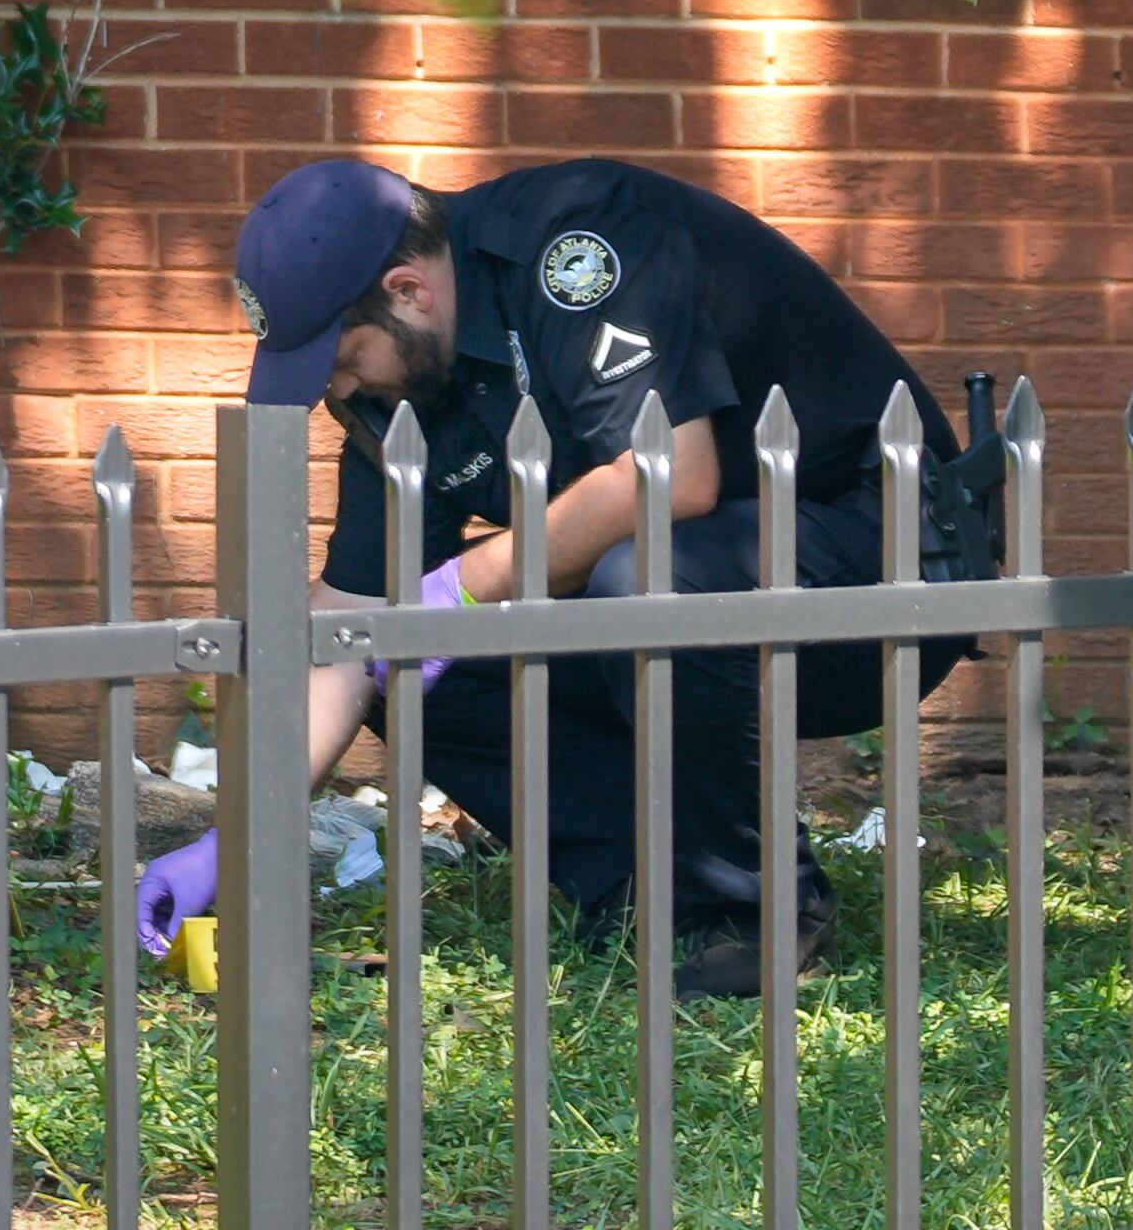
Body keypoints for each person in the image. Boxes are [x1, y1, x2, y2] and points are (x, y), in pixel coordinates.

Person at [131, 157, 999, 996]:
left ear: (408, 292)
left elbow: (668, 475)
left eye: (340, 354)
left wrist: (460, 585)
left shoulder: (581, 247)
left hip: (876, 572)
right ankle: (645, 895)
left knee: (638, 578)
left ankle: (749, 915)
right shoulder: (397, 386)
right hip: (692, 609)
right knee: (395, 663)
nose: (337, 383)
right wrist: (243, 836)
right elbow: (351, 621)